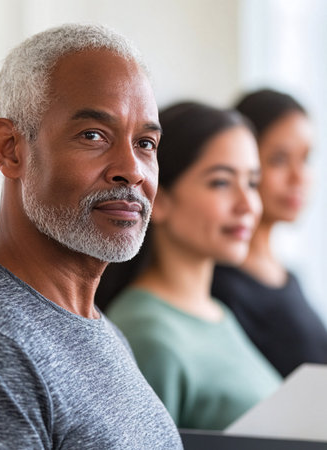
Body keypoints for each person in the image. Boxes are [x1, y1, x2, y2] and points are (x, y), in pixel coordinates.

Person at [0, 24, 183, 449]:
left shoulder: (101, 330)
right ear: (10, 149)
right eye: (93, 135)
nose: (131, 170)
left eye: (146, 143)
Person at [105, 102, 281, 431]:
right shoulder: (148, 334)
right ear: (159, 199)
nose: (248, 205)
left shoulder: (217, 314)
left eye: (253, 183)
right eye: (221, 182)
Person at [212, 88, 327, 378]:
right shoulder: (220, 287)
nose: (298, 177)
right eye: (279, 159)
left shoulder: (291, 278)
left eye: (306, 159)